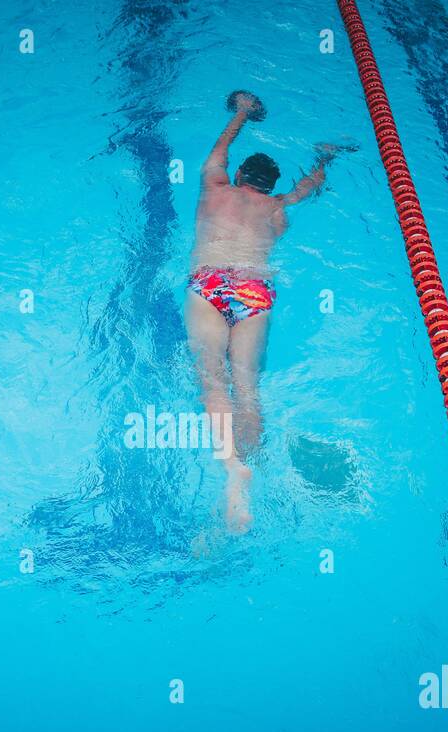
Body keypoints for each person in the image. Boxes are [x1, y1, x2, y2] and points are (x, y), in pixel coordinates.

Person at [186, 90, 338, 533]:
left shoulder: (215, 187)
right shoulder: (276, 207)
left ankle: (232, 469)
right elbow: (306, 191)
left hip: (210, 282)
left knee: (212, 377)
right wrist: (324, 159)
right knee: (247, 386)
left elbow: (219, 149)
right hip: (254, 292)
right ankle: (246, 484)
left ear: (237, 175)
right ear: (270, 188)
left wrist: (241, 114)